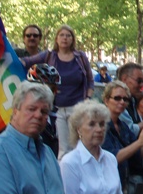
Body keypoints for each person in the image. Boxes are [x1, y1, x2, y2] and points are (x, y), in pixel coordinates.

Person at [22, 24, 95, 158]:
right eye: (61, 35)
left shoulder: (80, 57)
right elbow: (27, 62)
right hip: (58, 109)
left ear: (73, 39)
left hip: (78, 108)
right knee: (63, 149)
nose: (65, 38)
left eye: (68, 35)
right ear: (56, 39)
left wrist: (88, 99)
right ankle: (63, 177)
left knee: (81, 145)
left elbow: (90, 80)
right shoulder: (50, 56)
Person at [27, 63, 62, 156]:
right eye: (43, 89)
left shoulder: (55, 115)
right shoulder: (24, 116)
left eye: (52, 89)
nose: (48, 94)